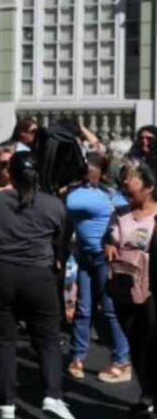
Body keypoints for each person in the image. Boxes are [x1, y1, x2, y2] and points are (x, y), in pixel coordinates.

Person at [0, 152, 75, 419]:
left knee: (4, 340)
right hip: (38, 275)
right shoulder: (54, 205)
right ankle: (53, 395)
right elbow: (60, 246)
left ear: (10, 174)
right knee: (47, 339)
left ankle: (5, 401)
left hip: (0, 273)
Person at [66, 152, 131, 383]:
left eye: (92, 168)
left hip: (105, 258)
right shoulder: (80, 191)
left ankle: (122, 360)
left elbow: (131, 207)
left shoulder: (111, 196)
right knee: (84, 309)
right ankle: (77, 356)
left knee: (110, 309)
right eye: (86, 167)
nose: (88, 171)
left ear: (101, 171)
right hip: (85, 256)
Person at [108, 163, 157, 415]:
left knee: (152, 342)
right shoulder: (120, 213)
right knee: (135, 341)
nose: (126, 185)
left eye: (132, 182)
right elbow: (109, 239)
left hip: (151, 290)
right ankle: (147, 393)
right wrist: (108, 246)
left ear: (149, 188)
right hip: (123, 286)